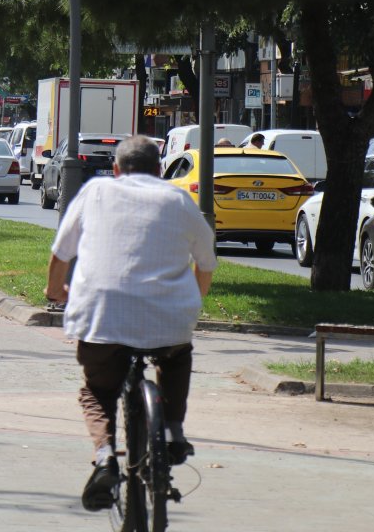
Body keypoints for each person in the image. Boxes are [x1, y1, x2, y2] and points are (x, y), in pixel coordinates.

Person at [44, 136, 215, 512]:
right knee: (175, 358)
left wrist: (55, 290)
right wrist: (192, 306)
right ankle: (172, 430)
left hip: (102, 315)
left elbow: (60, 254)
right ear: (159, 171)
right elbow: (206, 263)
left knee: (98, 391)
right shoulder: (179, 200)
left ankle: (105, 457)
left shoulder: (96, 191)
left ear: (116, 170)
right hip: (168, 318)